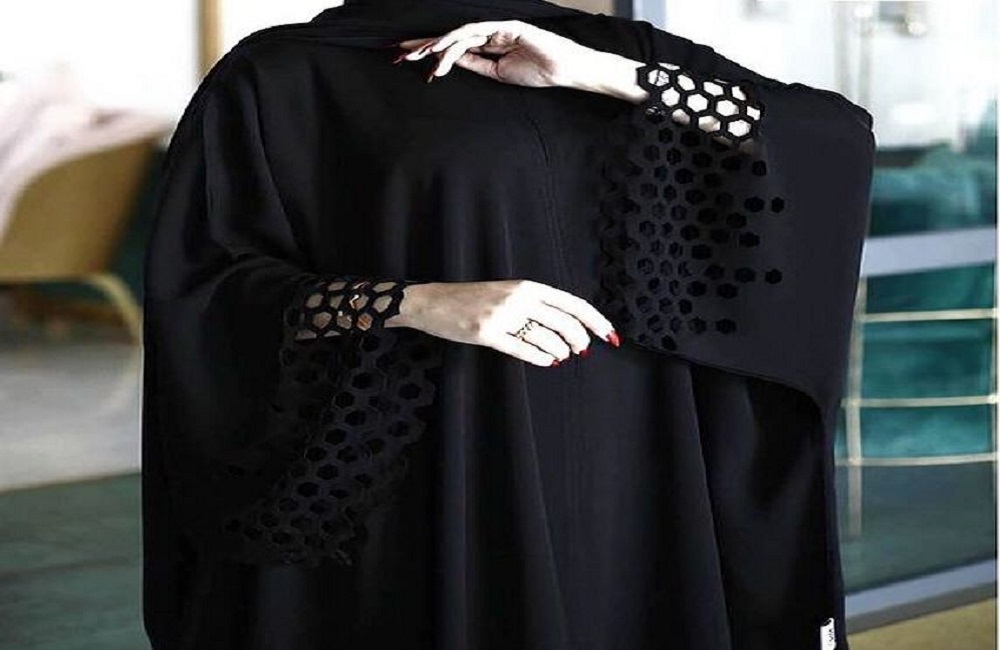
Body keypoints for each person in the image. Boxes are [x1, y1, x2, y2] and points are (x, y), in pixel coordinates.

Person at [141, 0, 875, 648]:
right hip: (432, 450)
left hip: (634, 444)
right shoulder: (283, 75)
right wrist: (415, 303)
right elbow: (206, 290)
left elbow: (828, 139)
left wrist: (598, 74)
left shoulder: (615, 48)